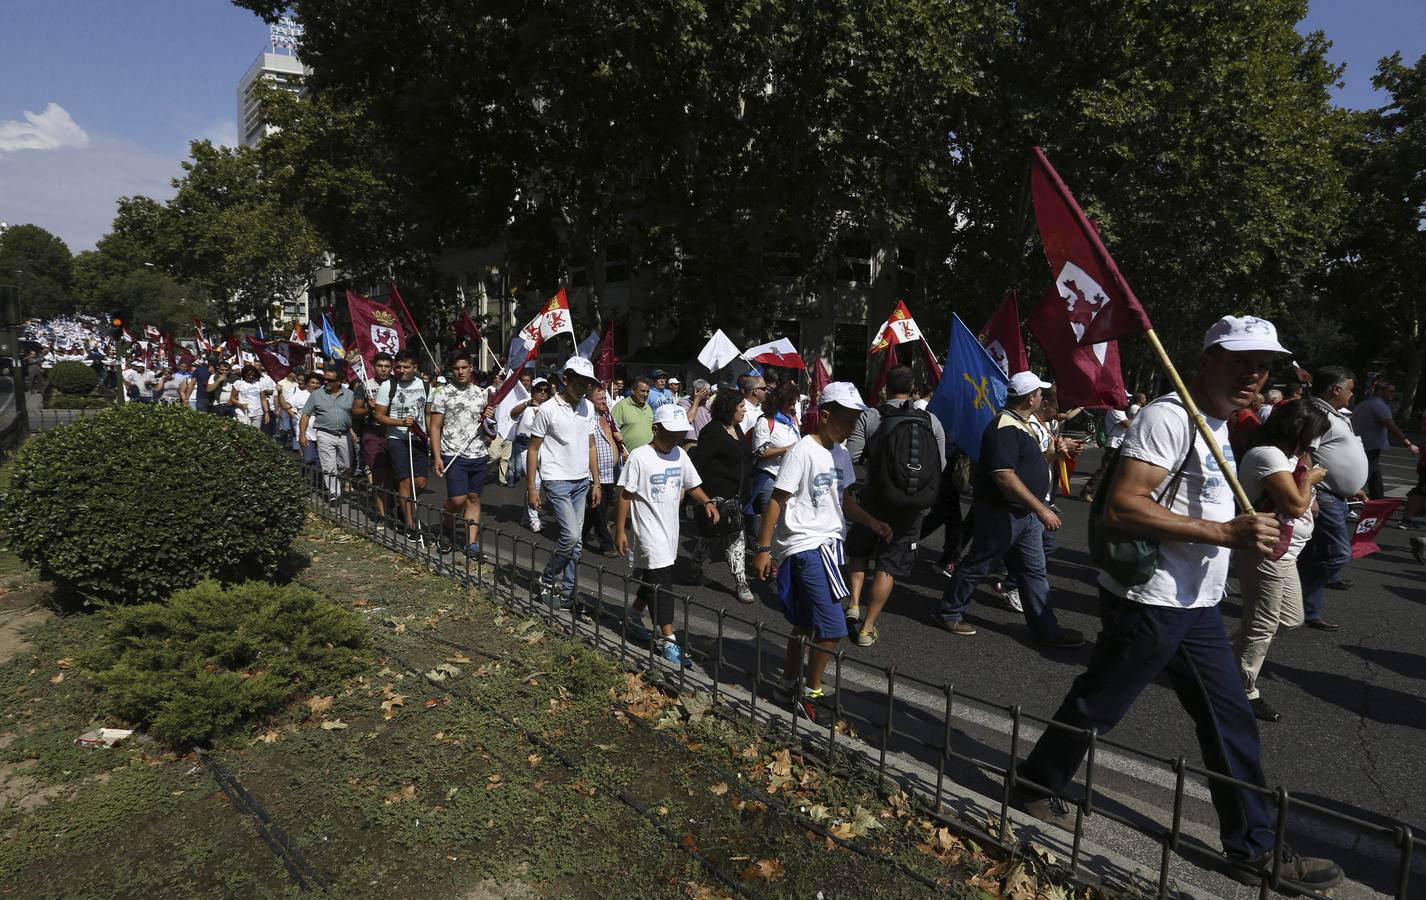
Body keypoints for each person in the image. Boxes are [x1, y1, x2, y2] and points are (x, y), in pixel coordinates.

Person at [1011, 316, 1344, 893]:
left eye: (1262, 365)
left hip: (1197, 603)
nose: (1253, 374)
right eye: (1240, 361)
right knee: (1098, 705)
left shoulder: (1224, 425)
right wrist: (1226, 535)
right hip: (1152, 599)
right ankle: (1037, 786)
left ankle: (1254, 848)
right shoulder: (1168, 417)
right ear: (1207, 360)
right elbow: (1123, 506)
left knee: (1230, 718)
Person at [751, 383, 891, 720]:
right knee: (832, 627)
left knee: (804, 626)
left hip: (830, 546)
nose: (851, 427)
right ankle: (811, 693)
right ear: (825, 415)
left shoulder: (841, 454)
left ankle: (786, 686)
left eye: (856, 420)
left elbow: (842, 500)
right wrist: (763, 548)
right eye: (846, 420)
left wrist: (872, 522)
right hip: (806, 547)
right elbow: (777, 500)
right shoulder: (803, 450)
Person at [934, 372, 1082, 647]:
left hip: (1022, 514)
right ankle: (950, 612)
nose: (1043, 397)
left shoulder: (1019, 423)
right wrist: (1041, 509)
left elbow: (1027, 464)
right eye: (1040, 393)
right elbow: (1004, 475)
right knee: (979, 564)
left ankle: (1047, 630)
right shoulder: (1005, 426)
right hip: (1003, 513)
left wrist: (1052, 455)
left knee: (1034, 572)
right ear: (1030, 399)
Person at [1233, 398, 1330, 723]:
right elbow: (1297, 505)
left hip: (1286, 552)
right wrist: (1311, 478)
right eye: (1314, 435)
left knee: (1289, 618)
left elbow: (1308, 506)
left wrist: (1305, 469)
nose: (1315, 443)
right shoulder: (1267, 455)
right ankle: (1242, 690)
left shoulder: (1288, 456)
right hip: (1266, 550)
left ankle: (1214, 655)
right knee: (1261, 624)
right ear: (1300, 429)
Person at [842, 365, 947, 647]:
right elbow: (941, 464)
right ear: (913, 390)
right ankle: (867, 627)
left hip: (872, 500)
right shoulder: (931, 420)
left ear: (885, 387)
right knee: (888, 565)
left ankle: (853, 603)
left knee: (860, 552)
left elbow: (852, 457)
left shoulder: (871, 416)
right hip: (910, 507)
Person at [616, 404, 719, 666]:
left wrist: (707, 502)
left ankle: (632, 617)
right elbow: (625, 495)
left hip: (670, 530)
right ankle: (669, 640)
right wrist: (620, 530)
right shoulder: (639, 457)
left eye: (679, 433)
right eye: (670, 433)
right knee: (664, 586)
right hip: (648, 531)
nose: (675, 438)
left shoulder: (680, 456)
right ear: (655, 429)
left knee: (653, 577)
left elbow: (692, 484)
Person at [1296, 365, 1368, 631]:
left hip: (1336, 494)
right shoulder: (1317, 414)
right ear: (1336, 389)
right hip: (1323, 494)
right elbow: (1305, 455)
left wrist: (1353, 487)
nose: (1352, 394)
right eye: (1350, 389)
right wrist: (1310, 493)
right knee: (1337, 553)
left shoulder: (1335, 415)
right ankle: (1293, 599)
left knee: (1315, 554)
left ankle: (1306, 610)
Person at [527, 356, 601, 607]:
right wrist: (531, 488)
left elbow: (591, 445)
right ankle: (547, 579)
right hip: (556, 479)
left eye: (588, 384)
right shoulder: (547, 409)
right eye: (579, 382)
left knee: (577, 542)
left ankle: (568, 591)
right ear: (565, 379)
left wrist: (596, 481)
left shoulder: (588, 407)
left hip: (581, 480)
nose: (583, 388)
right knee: (569, 536)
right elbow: (533, 449)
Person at [690, 388, 755, 603]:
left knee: (727, 538)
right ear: (729, 409)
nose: (744, 411)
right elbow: (697, 464)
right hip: (717, 498)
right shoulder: (711, 432)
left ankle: (735, 580)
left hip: (737, 498)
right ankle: (700, 565)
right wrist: (701, 497)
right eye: (740, 407)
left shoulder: (736, 428)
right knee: (720, 538)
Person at [430, 352, 492, 556]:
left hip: (478, 453)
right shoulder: (443, 393)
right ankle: (446, 524)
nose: (460, 372)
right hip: (453, 453)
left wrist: (490, 417)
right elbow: (436, 426)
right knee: (457, 500)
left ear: (471, 368)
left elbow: (491, 428)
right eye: (456, 368)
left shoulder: (482, 394)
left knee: (474, 498)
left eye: (464, 367)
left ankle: (471, 543)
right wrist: (437, 456)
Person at [375, 349, 432, 544]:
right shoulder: (387, 386)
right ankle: (410, 525)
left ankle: (402, 504)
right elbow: (379, 415)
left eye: (406, 367)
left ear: (415, 368)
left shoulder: (425, 386)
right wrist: (400, 423)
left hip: (419, 438)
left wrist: (431, 436)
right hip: (397, 438)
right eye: (398, 367)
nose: (401, 370)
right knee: (405, 481)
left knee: (421, 482)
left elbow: (429, 414)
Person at [1351, 380, 1417, 500]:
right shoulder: (1380, 406)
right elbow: (1392, 427)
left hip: (1361, 445)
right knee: (1364, 476)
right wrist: (1408, 444)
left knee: (1375, 476)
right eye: (1390, 391)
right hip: (1370, 447)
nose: (1393, 394)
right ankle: (1349, 498)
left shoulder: (1363, 404)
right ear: (1380, 391)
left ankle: (1378, 501)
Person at [299, 364, 356, 502]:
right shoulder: (317, 394)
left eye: (330, 380)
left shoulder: (350, 394)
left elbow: (353, 413)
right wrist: (302, 434)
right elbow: (305, 414)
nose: (326, 382)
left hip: (344, 434)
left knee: (347, 465)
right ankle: (334, 494)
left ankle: (337, 479)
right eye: (325, 379)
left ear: (339, 381)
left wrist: (352, 430)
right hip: (324, 434)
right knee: (328, 466)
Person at [352, 352, 395, 528]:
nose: (383, 369)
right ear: (373, 367)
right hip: (372, 434)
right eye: (380, 366)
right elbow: (355, 411)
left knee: (393, 476)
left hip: (393, 433)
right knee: (378, 475)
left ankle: (392, 507)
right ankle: (382, 515)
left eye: (386, 366)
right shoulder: (365, 386)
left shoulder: (397, 384)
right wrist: (369, 409)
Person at [583, 385, 625, 556]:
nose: (604, 401)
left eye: (605, 398)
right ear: (591, 400)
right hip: (594, 473)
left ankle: (580, 533)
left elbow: (614, 435)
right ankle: (606, 544)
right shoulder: (588, 418)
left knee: (599, 506)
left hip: (610, 472)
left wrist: (620, 439)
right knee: (599, 508)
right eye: (600, 399)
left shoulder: (607, 416)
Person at [1078, 400, 1137, 502]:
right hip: (1114, 444)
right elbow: (1127, 424)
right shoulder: (1115, 411)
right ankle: (1087, 491)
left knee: (1115, 471)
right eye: (1125, 399)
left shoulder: (1120, 411)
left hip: (1119, 444)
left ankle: (1105, 495)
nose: (1127, 401)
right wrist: (1137, 416)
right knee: (1105, 470)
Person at [612, 375, 655, 452]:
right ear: (633, 390)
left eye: (647, 391)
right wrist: (621, 451)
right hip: (629, 456)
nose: (645, 394)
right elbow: (611, 430)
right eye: (642, 391)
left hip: (648, 455)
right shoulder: (621, 406)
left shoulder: (648, 407)